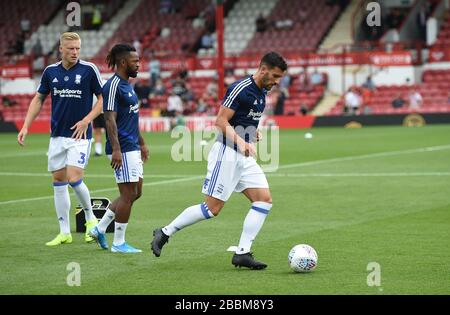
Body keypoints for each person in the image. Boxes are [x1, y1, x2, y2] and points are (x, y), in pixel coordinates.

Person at [151, 52, 287, 269]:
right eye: (275, 76)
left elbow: (243, 120)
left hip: (243, 157)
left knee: (263, 200)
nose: (277, 82)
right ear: (263, 69)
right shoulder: (240, 88)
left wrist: (253, 133)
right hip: (227, 153)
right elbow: (221, 121)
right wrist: (242, 142)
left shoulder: (262, 92)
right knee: (212, 209)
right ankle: (165, 232)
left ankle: (242, 253)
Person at [17, 32, 103, 246]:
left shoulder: (89, 70)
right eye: (71, 49)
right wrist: (26, 125)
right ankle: (64, 232)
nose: (75, 52)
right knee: (58, 181)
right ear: (61, 49)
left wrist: (87, 120)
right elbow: (39, 99)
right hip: (57, 135)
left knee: (74, 178)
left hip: (80, 135)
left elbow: (103, 99)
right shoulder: (50, 72)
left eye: (78, 49)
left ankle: (91, 219)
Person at [88, 44, 149, 253]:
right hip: (121, 149)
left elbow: (130, 118)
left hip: (131, 146)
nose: (139, 65)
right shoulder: (113, 86)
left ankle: (99, 228)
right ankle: (118, 243)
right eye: (135, 61)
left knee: (136, 192)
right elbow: (109, 119)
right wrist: (116, 149)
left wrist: (141, 143)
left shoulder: (127, 86)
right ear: (123, 62)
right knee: (127, 194)